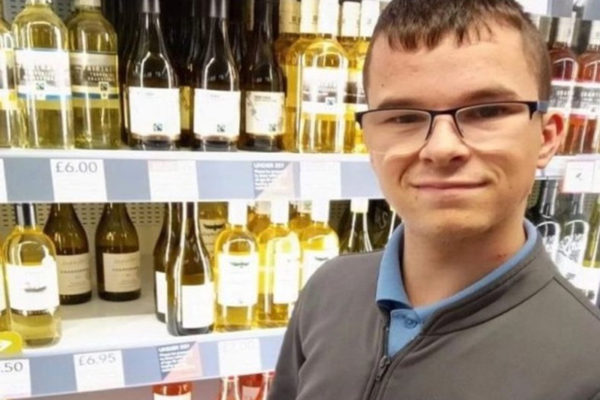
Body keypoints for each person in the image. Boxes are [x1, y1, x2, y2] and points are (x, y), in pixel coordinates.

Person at [268, 1, 600, 399]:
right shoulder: (327, 291)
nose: (442, 148)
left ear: (547, 137)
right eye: (403, 117)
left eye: (487, 111)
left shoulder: (589, 368)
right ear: (369, 141)